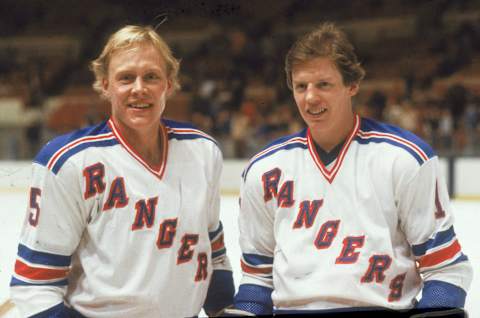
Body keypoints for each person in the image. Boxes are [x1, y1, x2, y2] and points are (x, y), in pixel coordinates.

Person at [229, 22, 472, 316]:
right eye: (300, 86)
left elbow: (445, 269)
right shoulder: (263, 169)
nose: (310, 98)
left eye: (324, 84)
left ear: (352, 85)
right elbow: (258, 277)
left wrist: (437, 309)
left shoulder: (404, 157)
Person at [10, 25, 234, 317]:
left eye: (151, 76)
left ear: (169, 83)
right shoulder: (69, 161)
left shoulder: (203, 150)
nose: (139, 88)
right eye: (126, 78)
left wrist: (225, 308)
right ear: (105, 85)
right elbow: (34, 284)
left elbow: (212, 249)